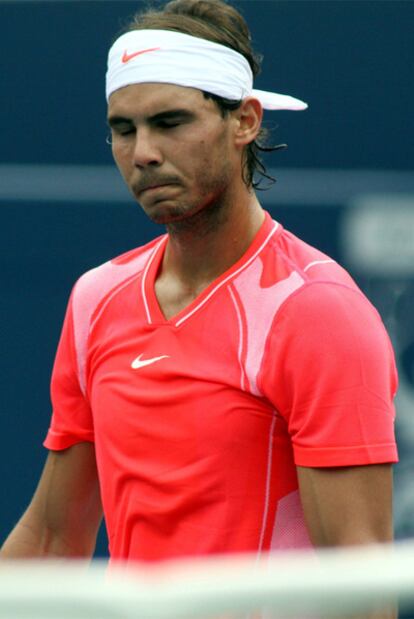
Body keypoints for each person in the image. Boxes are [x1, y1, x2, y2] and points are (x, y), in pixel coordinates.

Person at [1, 0, 397, 567]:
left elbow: (359, 587)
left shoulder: (316, 312)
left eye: (170, 122)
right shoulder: (96, 298)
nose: (143, 154)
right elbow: (51, 538)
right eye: (123, 129)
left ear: (245, 121)